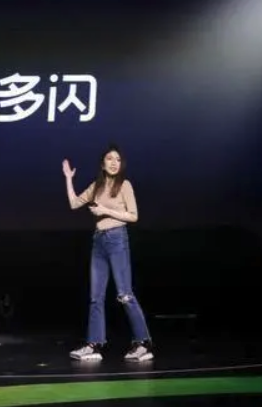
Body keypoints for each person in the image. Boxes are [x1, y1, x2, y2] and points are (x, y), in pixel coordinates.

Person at [63, 144, 154, 362]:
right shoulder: (96, 186)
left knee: (124, 294)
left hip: (117, 239)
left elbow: (133, 216)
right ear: (102, 164)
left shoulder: (125, 185)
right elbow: (74, 203)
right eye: (110, 159)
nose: (114, 163)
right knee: (96, 297)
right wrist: (68, 179)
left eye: (118, 159)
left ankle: (142, 343)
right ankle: (94, 345)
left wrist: (105, 210)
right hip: (99, 242)